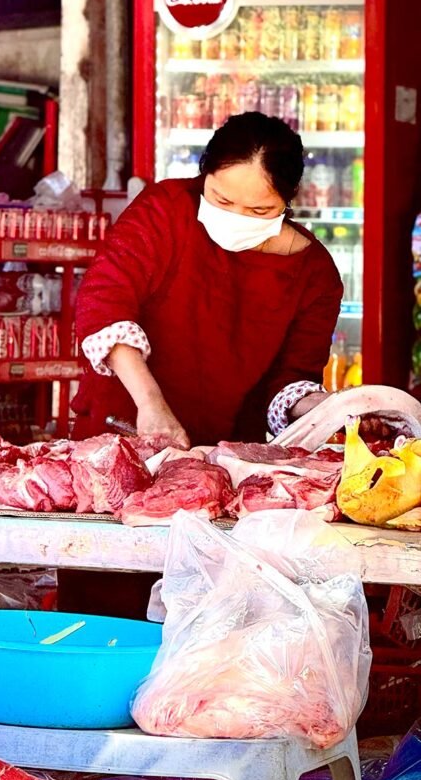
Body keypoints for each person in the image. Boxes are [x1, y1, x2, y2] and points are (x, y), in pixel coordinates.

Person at [58, 111, 343, 616]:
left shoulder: (315, 273)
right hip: (127, 439)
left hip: (226, 474)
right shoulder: (166, 208)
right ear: (203, 176)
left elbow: (292, 378)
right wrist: (150, 403)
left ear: (288, 204)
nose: (236, 216)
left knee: (207, 623)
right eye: (222, 200)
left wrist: (329, 408)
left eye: (260, 209)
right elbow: (105, 300)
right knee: (104, 608)